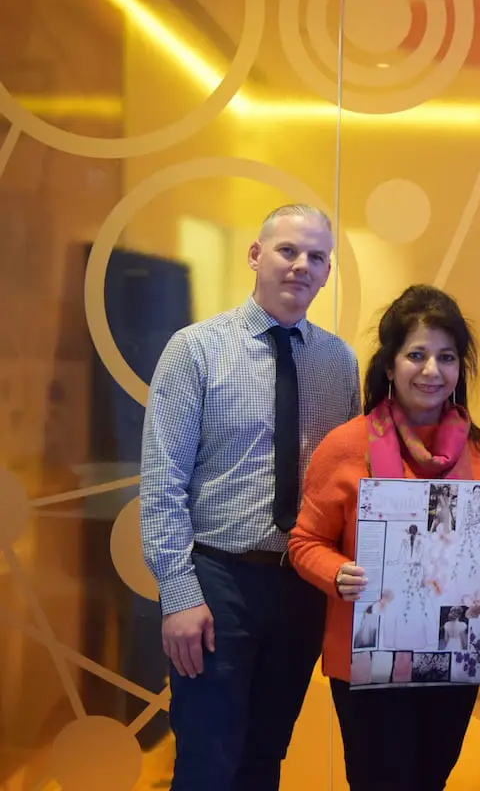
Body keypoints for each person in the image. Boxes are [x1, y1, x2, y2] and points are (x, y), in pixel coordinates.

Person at [139, 204, 360, 790]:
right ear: (256, 255)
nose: (301, 266)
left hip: (301, 588)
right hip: (219, 583)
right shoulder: (196, 350)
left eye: (316, 257)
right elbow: (162, 485)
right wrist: (178, 594)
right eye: (288, 250)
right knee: (208, 763)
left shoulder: (339, 364)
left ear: (327, 271)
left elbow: (347, 486)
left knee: (265, 758)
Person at [285, 285, 480, 791]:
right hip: (369, 662)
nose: (431, 371)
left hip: (452, 661)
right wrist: (336, 573)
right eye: (416, 355)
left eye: (446, 357)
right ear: (389, 366)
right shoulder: (346, 447)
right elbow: (304, 542)